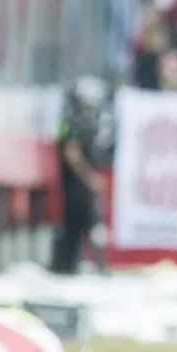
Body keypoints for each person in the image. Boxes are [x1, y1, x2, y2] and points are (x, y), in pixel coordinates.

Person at [50, 77, 106, 275]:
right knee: (73, 225)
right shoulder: (74, 121)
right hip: (75, 185)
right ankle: (62, 267)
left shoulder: (82, 121)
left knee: (83, 225)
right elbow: (71, 152)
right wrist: (89, 176)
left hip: (78, 185)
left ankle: (71, 265)